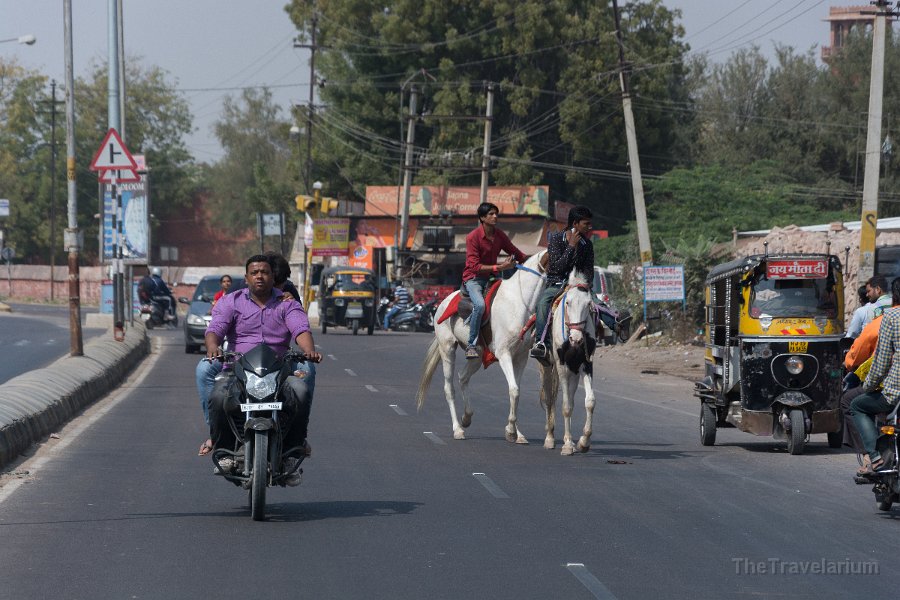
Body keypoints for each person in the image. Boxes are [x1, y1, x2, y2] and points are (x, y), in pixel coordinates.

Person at [205, 255, 322, 485]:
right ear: (246, 277)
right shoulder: (231, 301)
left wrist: (309, 351)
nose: (260, 276)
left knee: (300, 391)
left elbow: (300, 328)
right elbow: (216, 328)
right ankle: (225, 450)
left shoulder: (287, 303)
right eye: (255, 272)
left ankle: (292, 453)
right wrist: (213, 346)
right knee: (218, 396)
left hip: (278, 370)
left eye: (265, 272)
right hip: (238, 370)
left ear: (273, 277)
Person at [461, 202, 527, 359]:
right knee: (479, 305)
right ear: (483, 218)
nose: (495, 216)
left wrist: (536, 261)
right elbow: (474, 266)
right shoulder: (472, 237)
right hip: (473, 279)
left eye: (496, 213)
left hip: (491, 278)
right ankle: (471, 344)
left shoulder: (499, 235)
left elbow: (516, 253)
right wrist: (500, 267)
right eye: (491, 214)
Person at [841, 277, 900, 454]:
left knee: (853, 403)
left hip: (891, 389)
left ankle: (872, 456)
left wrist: (868, 385)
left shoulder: (887, 317)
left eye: (869, 290)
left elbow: (878, 361)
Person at [530, 205, 595, 360]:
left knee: (598, 305)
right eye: (586, 224)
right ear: (575, 224)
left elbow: (589, 272)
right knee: (543, 304)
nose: (589, 227)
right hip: (557, 284)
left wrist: (582, 283)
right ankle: (541, 343)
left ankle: (616, 325)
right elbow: (557, 267)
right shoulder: (556, 240)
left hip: (578, 287)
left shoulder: (588, 245)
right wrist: (571, 246)